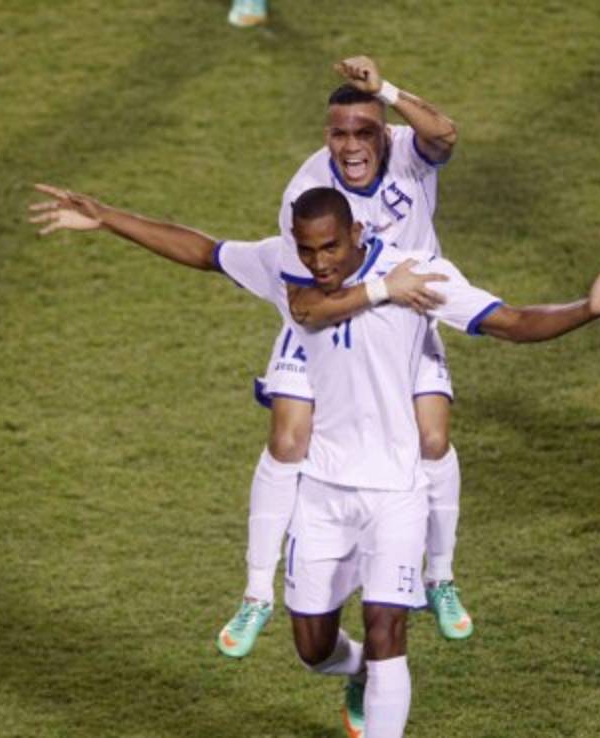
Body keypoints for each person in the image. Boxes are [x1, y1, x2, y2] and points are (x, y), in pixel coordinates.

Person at [29, 183, 600, 736]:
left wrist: (585, 310)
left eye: (328, 248)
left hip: (395, 495)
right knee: (314, 648)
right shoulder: (291, 269)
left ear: (355, 234)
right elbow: (206, 251)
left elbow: (510, 321)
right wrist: (107, 217)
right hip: (321, 497)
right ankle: (355, 675)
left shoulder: (417, 275)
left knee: (387, 630)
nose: (318, 263)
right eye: (307, 249)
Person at [218, 55, 473, 660]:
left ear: (385, 132)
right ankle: (257, 592)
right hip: (325, 324)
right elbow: (303, 299)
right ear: (325, 136)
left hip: (406, 322)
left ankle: (440, 577)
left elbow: (446, 134)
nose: (352, 145)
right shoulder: (305, 193)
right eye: (339, 133)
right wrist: (379, 289)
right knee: (287, 442)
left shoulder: (409, 147)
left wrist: (385, 89)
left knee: (432, 440)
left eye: (365, 131)